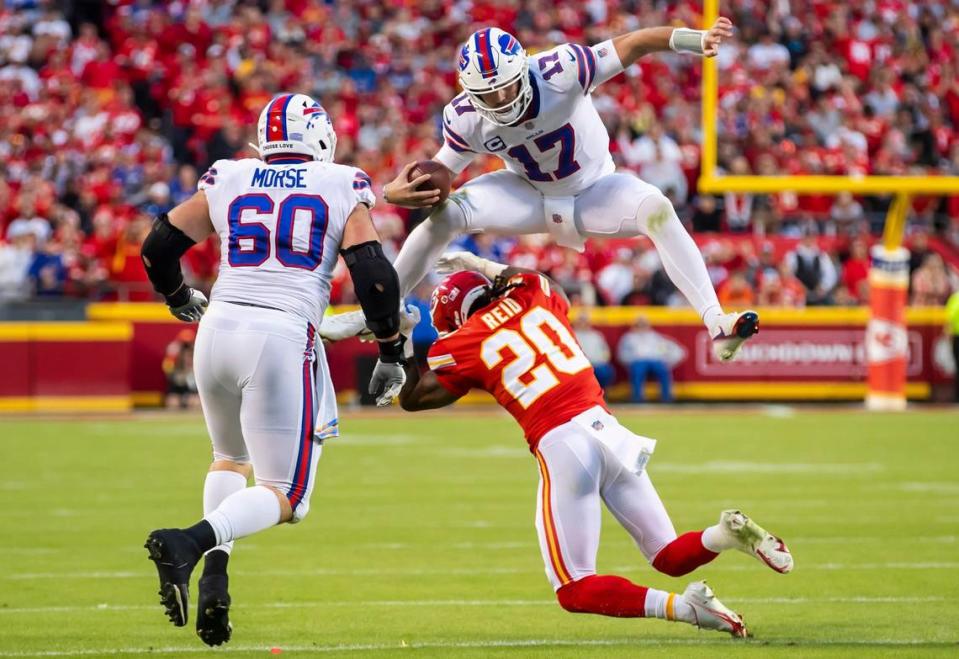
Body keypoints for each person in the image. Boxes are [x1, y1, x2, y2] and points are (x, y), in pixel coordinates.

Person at [321, 19, 759, 370]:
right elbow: (439, 178)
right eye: (486, 93)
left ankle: (715, 319)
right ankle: (383, 310)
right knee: (448, 214)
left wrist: (693, 39)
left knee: (658, 211)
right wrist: (395, 192)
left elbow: (638, 42)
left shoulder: (563, 70)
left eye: (506, 87)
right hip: (526, 193)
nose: (498, 99)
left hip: (595, 189)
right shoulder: (466, 116)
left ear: (523, 70)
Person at [397, 251, 793, 637]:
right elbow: (548, 286)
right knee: (668, 555)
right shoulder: (533, 293)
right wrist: (485, 265)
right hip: (608, 429)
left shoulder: (464, 340)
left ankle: (689, 609)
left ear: (458, 318)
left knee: (574, 587)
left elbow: (413, 398)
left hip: (562, 442)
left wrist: (397, 341)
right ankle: (725, 534)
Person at [138, 93, 408, 646]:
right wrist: (388, 350)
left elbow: (158, 246)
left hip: (216, 327)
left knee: (228, 458)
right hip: (281, 335)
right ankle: (189, 544)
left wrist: (176, 295)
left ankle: (216, 576)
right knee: (289, 496)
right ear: (322, 138)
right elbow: (375, 275)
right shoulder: (340, 183)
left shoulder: (231, 176)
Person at [616, 316, 686, 403]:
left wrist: (667, 361)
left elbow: (670, 349)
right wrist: (632, 361)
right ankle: (638, 397)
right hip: (638, 361)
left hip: (654, 361)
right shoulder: (629, 338)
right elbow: (622, 355)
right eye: (639, 325)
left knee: (662, 369)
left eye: (644, 324)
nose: (642, 327)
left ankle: (666, 397)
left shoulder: (655, 337)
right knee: (638, 369)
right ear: (635, 326)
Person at [571, 313, 615, 391]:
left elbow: (605, 350)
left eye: (585, 321)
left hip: (597, 363)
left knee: (606, 371)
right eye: (580, 321)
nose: (583, 324)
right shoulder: (572, 335)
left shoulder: (596, 335)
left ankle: (602, 393)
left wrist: (602, 360)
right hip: (579, 365)